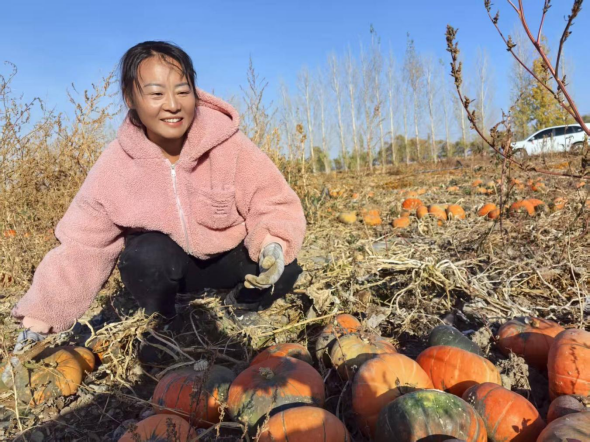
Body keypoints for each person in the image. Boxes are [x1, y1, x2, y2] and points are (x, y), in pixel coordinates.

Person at [10, 41, 307, 351]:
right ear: (130, 98)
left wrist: (273, 244)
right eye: (156, 94)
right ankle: (168, 318)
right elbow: (83, 245)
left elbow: (271, 200)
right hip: (169, 271)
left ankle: (240, 302)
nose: (173, 105)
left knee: (287, 268)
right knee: (144, 257)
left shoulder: (229, 145)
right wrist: (41, 315)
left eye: (182, 91)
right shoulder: (115, 165)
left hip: (227, 260)